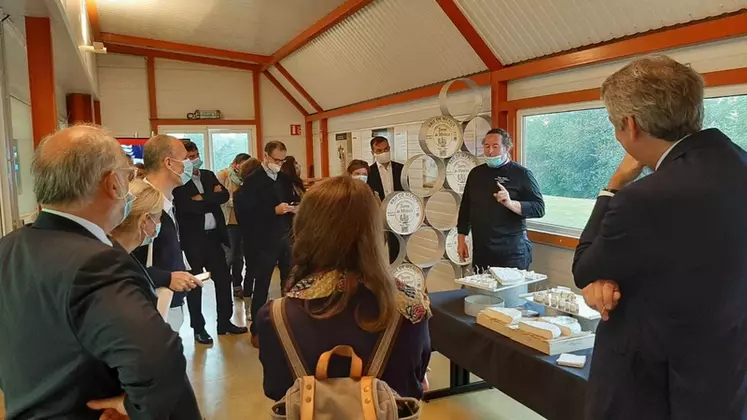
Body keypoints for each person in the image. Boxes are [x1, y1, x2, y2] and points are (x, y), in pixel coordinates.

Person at [573, 56, 747, 420]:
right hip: (729, 376)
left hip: (653, 386)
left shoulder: (644, 198)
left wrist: (613, 187)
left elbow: (585, 266)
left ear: (630, 126)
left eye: (614, 125)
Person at [0, 125, 201, 419]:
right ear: (114, 183)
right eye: (129, 175)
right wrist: (134, 408)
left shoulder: (9, 247)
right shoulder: (98, 262)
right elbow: (158, 361)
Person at [257, 176, 432, 401]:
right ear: (375, 232)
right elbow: (416, 384)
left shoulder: (274, 316)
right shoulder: (412, 308)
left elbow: (275, 390)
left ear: (303, 230)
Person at [174, 140, 248, 343]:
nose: (193, 160)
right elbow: (187, 207)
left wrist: (202, 198)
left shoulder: (207, 174)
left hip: (214, 238)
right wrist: (209, 199)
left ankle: (224, 322)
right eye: (188, 158)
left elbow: (223, 196)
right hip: (192, 241)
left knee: (223, 280)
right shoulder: (178, 181)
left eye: (195, 155)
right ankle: (198, 328)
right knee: (195, 284)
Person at [133, 134, 201, 334]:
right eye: (185, 159)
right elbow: (122, 261)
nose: (189, 164)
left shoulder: (166, 201)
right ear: (169, 162)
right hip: (150, 307)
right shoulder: (142, 205)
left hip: (169, 302)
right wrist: (166, 278)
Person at [235, 140, 296, 347]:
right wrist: (273, 211)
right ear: (266, 157)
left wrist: (293, 208)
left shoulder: (284, 178)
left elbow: (291, 198)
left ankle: (288, 324)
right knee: (262, 285)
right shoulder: (252, 181)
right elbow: (245, 214)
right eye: (276, 159)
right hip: (261, 241)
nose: (279, 163)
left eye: (282, 160)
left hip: (284, 236)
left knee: (289, 282)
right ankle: (258, 330)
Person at [456, 128, 545, 270]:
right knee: (483, 292)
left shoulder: (522, 174)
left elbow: (539, 208)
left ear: (506, 148)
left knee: (511, 292)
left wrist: (511, 204)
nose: (490, 151)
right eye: (486, 146)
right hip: (482, 251)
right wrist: (461, 239)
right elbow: (466, 207)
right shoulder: (476, 174)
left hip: (512, 252)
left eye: (495, 146)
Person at [217, 153, 251, 298]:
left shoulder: (247, 178)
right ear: (236, 164)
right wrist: (234, 201)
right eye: (242, 165)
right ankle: (223, 285)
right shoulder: (223, 175)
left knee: (239, 257)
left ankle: (237, 286)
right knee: (228, 256)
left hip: (243, 222)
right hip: (228, 222)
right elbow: (218, 198)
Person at [366, 136, 403, 200]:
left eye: (386, 149)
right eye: (379, 150)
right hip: (378, 208)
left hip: (398, 207)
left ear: (389, 148)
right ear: (373, 153)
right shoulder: (368, 172)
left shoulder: (401, 168)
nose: (384, 152)